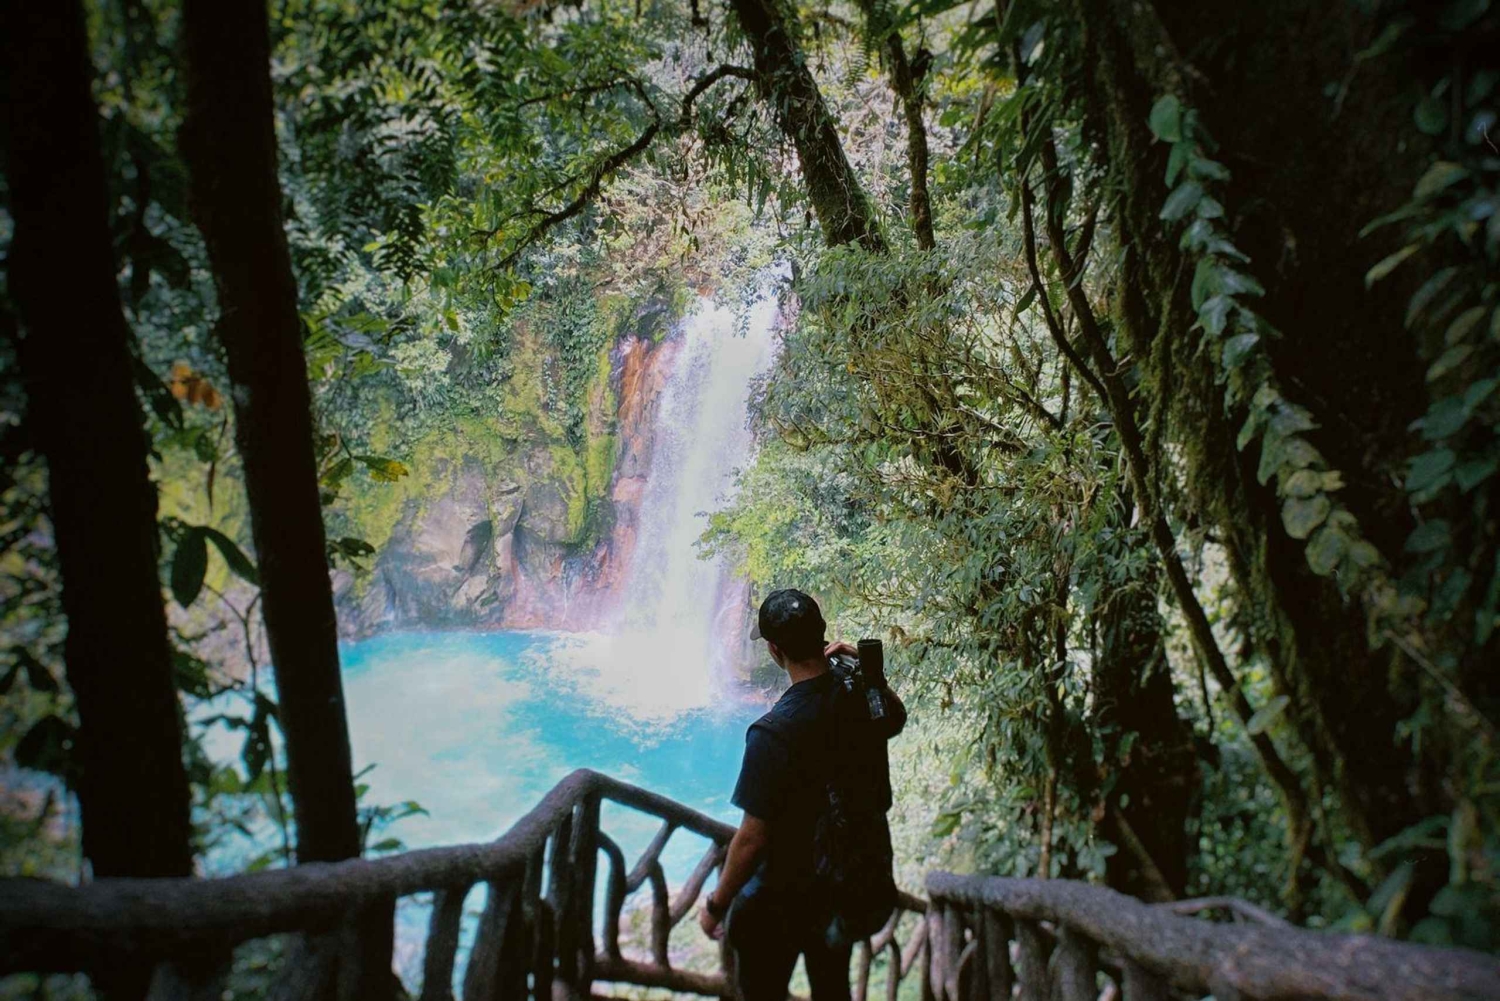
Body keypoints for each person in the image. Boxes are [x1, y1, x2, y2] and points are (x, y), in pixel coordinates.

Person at [698, 588, 906, 1001]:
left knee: (763, 990)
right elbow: (894, 719)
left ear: (775, 651)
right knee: (832, 987)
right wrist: (869, 674)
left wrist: (717, 904)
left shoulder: (773, 732)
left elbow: (753, 837)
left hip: (783, 900)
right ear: (823, 635)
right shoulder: (857, 695)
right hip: (843, 886)